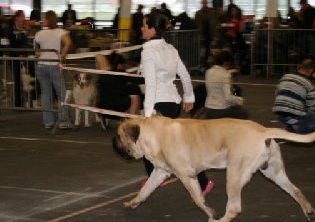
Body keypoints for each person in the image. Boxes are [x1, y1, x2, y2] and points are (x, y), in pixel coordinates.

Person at [139, 12, 214, 195]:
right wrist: (189, 98)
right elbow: (185, 75)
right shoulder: (171, 49)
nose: (141, 28)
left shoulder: (148, 51)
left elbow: (151, 83)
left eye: (144, 25)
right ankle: (160, 177)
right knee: (173, 146)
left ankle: (201, 182)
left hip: (157, 104)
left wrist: (148, 115)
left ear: (152, 29)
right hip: (173, 103)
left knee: (148, 145)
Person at [34, 10, 73, 129]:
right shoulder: (61, 31)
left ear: (46, 20)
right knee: (61, 93)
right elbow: (68, 43)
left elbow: (36, 53)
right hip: (55, 65)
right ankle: (63, 121)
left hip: (41, 65)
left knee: (46, 94)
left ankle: (48, 122)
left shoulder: (39, 34)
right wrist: (61, 57)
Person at [272, 59, 315, 134]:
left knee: (290, 115)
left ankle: (290, 125)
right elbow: (313, 106)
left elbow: (277, 93)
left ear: (298, 67)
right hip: (295, 115)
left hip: (279, 114)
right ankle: (298, 129)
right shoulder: (309, 83)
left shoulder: (285, 77)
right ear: (311, 70)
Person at [96, 52, 143, 131]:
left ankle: (106, 120)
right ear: (120, 65)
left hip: (101, 106)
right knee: (135, 97)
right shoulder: (121, 73)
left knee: (112, 97)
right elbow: (138, 80)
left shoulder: (103, 74)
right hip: (116, 106)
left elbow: (98, 56)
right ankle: (130, 123)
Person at [204, 49, 248, 119]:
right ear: (226, 63)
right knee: (243, 113)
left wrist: (229, 72)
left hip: (209, 109)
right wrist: (240, 100)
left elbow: (218, 73)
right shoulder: (225, 75)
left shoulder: (208, 72)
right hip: (220, 110)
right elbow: (228, 97)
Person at [7, 10, 29, 107]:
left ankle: (26, 101)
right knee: (16, 80)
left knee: (25, 79)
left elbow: (26, 43)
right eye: (22, 16)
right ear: (17, 18)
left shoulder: (24, 30)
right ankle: (17, 103)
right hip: (14, 58)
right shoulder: (10, 30)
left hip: (25, 58)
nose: (24, 18)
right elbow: (8, 45)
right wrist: (16, 54)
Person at [195, 0, 216, 70]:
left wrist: (214, 35)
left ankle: (205, 63)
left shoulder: (211, 13)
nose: (204, 4)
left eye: (205, 3)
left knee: (207, 49)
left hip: (208, 34)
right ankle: (201, 63)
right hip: (201, 34)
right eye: (203, 3)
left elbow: (212, 24)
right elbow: (197, 24)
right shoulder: (198, 13)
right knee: (201, 49)